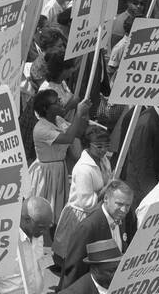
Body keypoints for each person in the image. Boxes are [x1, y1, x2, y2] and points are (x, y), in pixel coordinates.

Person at [29, 90, 91, 227]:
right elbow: (68, 138)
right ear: (46, 108)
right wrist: (79, 113)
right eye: (56, 102)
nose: (61, 103)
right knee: (43, 214)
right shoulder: (41, 129)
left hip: (58, 170)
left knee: (57, 213)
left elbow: (77, 132)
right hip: (47, 174)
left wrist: (84, 113)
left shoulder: (58, 121)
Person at [52, 125, 113, 265]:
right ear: (88, 145)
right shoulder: (83, 169)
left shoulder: (104, 160)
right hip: (80, 217)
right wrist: (107, 188)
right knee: (73, 258)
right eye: (99, 146)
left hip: (96, 215)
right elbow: (87, 204)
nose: (104, 150)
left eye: (106, 146)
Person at [61, 180, 133, 289]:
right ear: (106, 199)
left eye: (127, 205)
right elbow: (73, 270)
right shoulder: (88, 227)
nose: (124, 210)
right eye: (119, 204)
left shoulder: (121, 218)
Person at [0, 197, 54, 294]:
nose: (45, 231)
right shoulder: (2, 242)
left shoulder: (37, 234)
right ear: (26, 219)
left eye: (48, 226)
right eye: (42, 227)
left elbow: (38, 263)